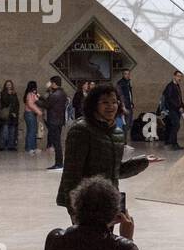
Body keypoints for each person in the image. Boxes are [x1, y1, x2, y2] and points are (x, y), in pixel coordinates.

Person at [56, 83, 161, 218]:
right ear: (94, 105)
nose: (111, 106)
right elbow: (72, 174)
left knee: (106, 239)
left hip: (108, 201)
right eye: (105, 102)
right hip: (86, 202)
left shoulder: (117, 133)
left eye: (114, 102)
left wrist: (142, 161)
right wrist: (74, 207)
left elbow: (115, 171)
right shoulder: (81, 129)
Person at [42, 76, 69, 170]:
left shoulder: (55, 94)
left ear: (54, 83)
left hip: (53, 120)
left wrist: (36, 100)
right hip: (59, 120)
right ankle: (59, 163)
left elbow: (46, 105)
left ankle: (59, 163)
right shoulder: (63, 93)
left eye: (51, 82)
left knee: (56, 142)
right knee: (57, 142)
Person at [161, 71, 184, 149]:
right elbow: (169, 99)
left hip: (177, 110)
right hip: (171, 110)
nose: (179, 78)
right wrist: (179, 107)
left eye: (181, 76)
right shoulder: (170, 86)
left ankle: (174, 144)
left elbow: (179, 99)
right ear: (174, 76)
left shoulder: (177, 86)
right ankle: (170, 142)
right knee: (176, 125)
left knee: (173, 125)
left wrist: (183, 106)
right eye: (178, 76)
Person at [23, 80, 44, 154]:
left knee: (34, 131)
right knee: (31, 131)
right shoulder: (29, 94)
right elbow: (30, 105)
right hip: (29, 114)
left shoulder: (33, 94)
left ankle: (34, 147)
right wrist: (39, 112)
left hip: (32, 114)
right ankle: (29, 148)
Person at [116, 70, 135, 134]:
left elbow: (129, 94)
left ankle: (124, 139)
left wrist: (132, 103)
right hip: (124, 106)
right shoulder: (120, 83)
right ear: (123, 75)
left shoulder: (128, 82)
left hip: (129, 105)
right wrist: (123, 106)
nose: (127, 75)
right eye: (125, 74)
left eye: (128, 74)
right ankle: (124, 140)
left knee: (129, 123)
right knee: (125, 124)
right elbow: (120, 95)